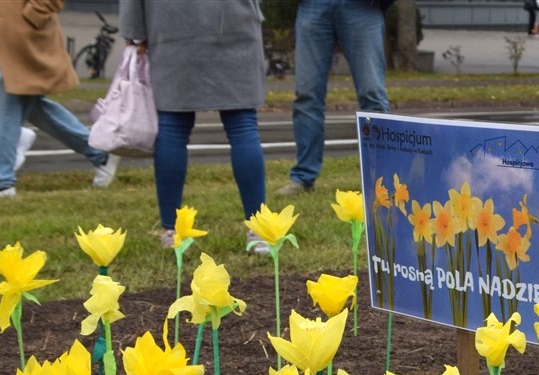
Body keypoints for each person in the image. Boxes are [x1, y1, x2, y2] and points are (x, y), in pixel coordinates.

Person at [119, 0, 268, 251]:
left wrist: (134, 29)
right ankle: (259, 231)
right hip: (234, 19)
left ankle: (171, 230)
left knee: (173, 128)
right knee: (242, 126)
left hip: (169, 23)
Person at [0, 0, 119, 198]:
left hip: (18, 30)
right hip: (2, 29)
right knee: (23, 100)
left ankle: (0, 182)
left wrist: (32, 14)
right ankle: (98, 152)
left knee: (7, 99)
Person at [277, 0, 391, 196]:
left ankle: (381, 178)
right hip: (314, 5)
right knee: (307, 95)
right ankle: (303, 178)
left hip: (363, 7)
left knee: (372, 95)